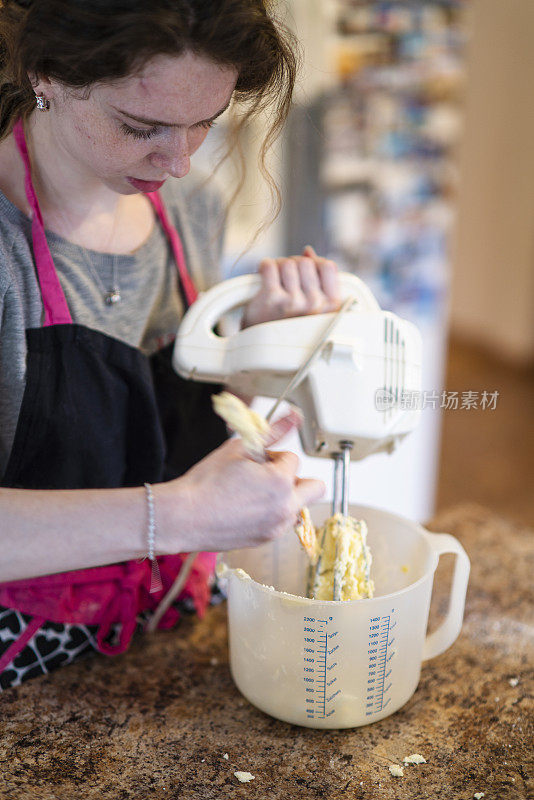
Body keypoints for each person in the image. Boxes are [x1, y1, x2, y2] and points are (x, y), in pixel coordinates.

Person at [0, 0, 341, 689]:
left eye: (204, 125)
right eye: (141, 127)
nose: (180, 161)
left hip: (176, 623)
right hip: (29, 668)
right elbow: (185, 499)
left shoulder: (190, 208)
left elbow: (178, 441)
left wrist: (255, 355)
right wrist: (178, 515)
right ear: (46, 74)